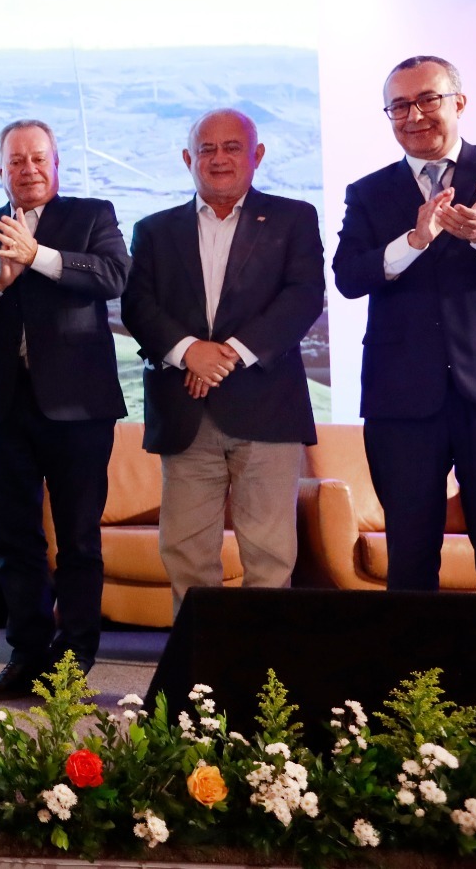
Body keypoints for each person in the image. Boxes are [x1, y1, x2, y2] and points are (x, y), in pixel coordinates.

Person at [120, 109, 323, 609]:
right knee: (186, 554)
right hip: (185, 414)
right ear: (188, 159)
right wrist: (190, 352)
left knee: (270, 556)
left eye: (232, 147)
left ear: (257, 155)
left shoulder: (293, 218)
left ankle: (261, 660)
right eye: (206, 149)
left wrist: (227, 355)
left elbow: (302, 297)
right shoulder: (154, 230)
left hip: (268, 411)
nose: (219, 159)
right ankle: (199, 658)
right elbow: (137, 306)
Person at [333, 55, 476, 591]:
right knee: (411, 557)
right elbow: (348, 276)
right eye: (399, 106)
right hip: (401, 397)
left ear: (458, 103)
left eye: (427, 100)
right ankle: (416, 653)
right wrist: (413, 242)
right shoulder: (368, 192)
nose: (413, 115)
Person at [0, 120, 127, 700]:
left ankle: (73, 662)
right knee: (14, 541)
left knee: (78, 539)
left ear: (56, 163)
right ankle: (25, 656)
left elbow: (113, 275)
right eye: (16, 161)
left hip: (80, 407)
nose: (28, 169)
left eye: (38, 159)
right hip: (1, 406)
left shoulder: (92, 216)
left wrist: (41, 257)